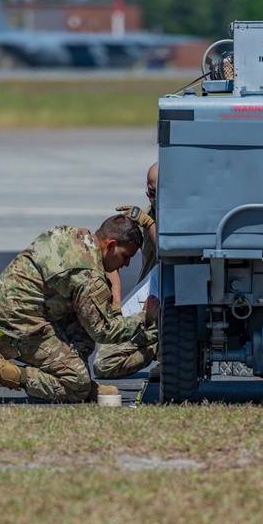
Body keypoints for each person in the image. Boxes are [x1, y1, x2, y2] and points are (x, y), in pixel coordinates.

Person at [0, 214, 160, 404]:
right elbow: (104, 331)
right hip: (8, 330)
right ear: (110, 245)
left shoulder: (73, 235)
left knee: (82, 318)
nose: (126, 264)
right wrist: (144, 318)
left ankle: (75, 376)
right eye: (126, 256)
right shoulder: (89, 277)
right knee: (78, 387)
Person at [94, 162, 160, 381]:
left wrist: (149, 222)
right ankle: (156, 347)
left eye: (156, 192)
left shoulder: (183, 217)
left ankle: (166, 350)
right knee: (104, 364)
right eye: (149, 192)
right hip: (147, 306)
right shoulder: (146, 216)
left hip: (176, 312)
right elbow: (109, 258)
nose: (152, 198)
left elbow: (166, 252)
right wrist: (116, 306)